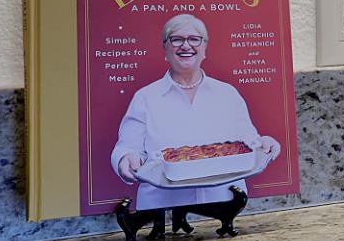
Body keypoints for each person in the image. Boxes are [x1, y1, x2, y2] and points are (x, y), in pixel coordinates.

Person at [111, 13, 281, 211]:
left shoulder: (227, 93)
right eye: (176, 39)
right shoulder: (145, 98)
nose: (186, 46)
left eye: (194, 39)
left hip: (225, 205)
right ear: (165, 48)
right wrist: (125, 159)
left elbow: (248, 142)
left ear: (204, 48)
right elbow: (127, 147)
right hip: (163, 211)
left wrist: (263, 143)